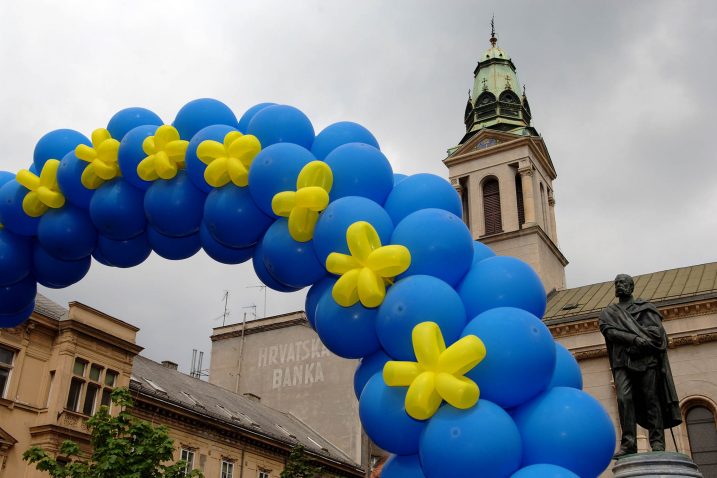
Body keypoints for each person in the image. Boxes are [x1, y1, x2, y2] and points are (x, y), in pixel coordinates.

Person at [598, 274, 682, 459]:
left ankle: (657, 442)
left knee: (651, 399)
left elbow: (657, 335)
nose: (619, 285)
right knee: (623, 399)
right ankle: (629, 444)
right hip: (621, 362)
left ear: (631, 287)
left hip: (646, 361)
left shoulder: (646, 309)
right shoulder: (608, 313)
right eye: (617, 283)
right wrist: (636, 339)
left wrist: (641, 340)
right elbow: (609, 332)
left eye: (623, 283)